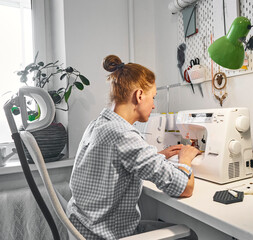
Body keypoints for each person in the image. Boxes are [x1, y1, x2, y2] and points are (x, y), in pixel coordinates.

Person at [67, 55, 201, 239]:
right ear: (139, 96)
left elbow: (115, 162)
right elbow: (185, 187)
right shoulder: (123, 134)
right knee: (190, 235)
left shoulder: (98, 124)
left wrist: (157, 155)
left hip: (82, 228)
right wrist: (185, 159)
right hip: (105, 234)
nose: (154, 105)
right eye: (153, 97)